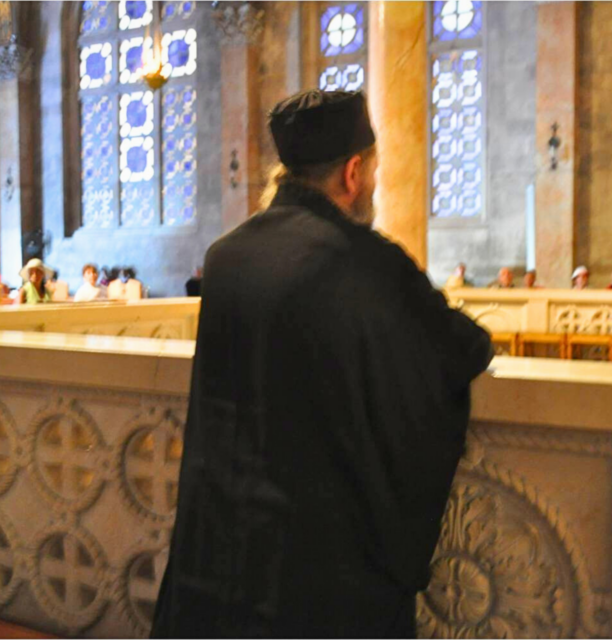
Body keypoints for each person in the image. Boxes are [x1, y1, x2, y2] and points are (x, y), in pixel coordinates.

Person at [152, 89, 494, 639]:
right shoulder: (365, 261)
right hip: (320, 562)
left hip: (220, 544)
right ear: (353, 172)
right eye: (375, 171)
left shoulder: (226, 256)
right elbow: (464, 350)